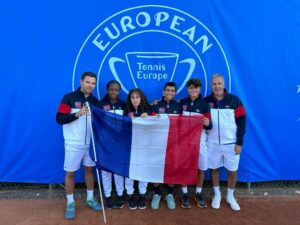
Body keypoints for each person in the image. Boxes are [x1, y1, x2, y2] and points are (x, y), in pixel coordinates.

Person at [56, 71, 102, 220]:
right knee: (70, 173)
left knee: (89, 170)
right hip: (73, 143)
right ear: (81, 81)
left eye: (93, 83)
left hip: (90, 144)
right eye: (88, 82)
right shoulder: (69, 97)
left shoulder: (95, 101)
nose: (90, 85)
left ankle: (90, 198)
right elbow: (59, 119)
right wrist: (78, 113)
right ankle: (70, 202)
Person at [204, 74, 246, 211]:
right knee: (214, 169)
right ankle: (217, 195)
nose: (217, 86)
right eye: (214, 84)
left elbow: (242, 123)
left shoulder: (235, 100)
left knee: (232, 171)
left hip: (231, 144)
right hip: (212, 143)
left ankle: (230, 196)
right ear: (211, 86)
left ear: (224, 84)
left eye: (219, 83)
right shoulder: (206, 101)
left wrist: (239, 143)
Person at [180, 78, 212, 209]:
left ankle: (198, 193)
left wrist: (207, 123)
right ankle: (185, 193)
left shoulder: (205, 104)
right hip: (184, 142)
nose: (194, 90)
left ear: (199, 89)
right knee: (184, 167)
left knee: (201, 168)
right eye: (191, 88)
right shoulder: (182, 102)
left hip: (200, 141)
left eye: (196, 88)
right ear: (188, 89)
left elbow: (210, 126)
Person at [151, 82, 182, 210]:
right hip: (158, 143)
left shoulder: (178, 106)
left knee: (172, 168)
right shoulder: (156, 105)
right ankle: (157, 193)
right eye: (168, 90)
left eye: (172, 91)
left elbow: (182, 126)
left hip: (173, 143)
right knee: (156, 168)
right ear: (163, 91)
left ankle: (169, 193)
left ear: (175, 92)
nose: (170, 93)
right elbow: (150, 123)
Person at [98, 80, 126, 209]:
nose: (114, 92)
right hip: (105, 143)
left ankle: (120, 194)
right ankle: (108, 196)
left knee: (119, 170)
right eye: (111, 89)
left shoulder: (124, 105)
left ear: (119, 91)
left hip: (120, 144)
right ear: (107, 89)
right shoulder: (100, 104)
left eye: (116, 90)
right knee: (106, 171)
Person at [124, 88, 153, 210]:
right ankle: (130, 194)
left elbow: (157, 124)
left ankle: (142, 194)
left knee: (143, 170)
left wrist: (149, 118)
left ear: (141, 98)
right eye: (132, 97)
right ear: (129, 99)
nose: (135, 100)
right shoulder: (126, 110)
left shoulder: (149, 110)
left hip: (145, 146)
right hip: (130, 146)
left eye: (137, 97)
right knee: (129, 172)